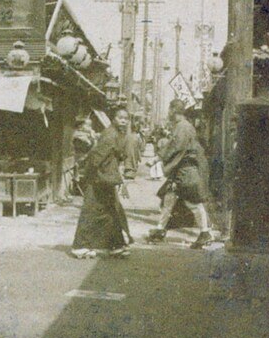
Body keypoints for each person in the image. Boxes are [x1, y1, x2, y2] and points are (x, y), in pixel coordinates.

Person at [146, 99, 214, 249]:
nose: (168, 113)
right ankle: (160, 229)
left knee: (193, 202)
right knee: (168, 199)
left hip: (186, 170)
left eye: (169, 110)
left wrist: (158, 158)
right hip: (180, 169)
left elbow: (175, 147)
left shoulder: (183, 127)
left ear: (173, 110)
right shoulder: (181, 126)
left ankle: (205, 233)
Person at [71, 106, 133, 259]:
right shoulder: (110, 134)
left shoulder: (117, 134)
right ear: (113, 119)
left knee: (111, 211)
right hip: (98, 178)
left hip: (106, 178)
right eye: (120, 118)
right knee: (92, 211)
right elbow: (97, 157)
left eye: (126, 118)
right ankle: (80, 246)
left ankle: (116, 245)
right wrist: (90, 175)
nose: (124, 121)